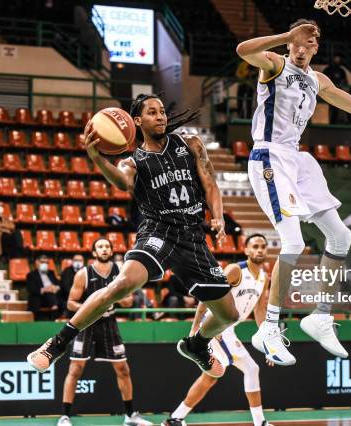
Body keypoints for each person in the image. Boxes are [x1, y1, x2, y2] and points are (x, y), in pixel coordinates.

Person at [236, 19, 351, 365]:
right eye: (297, 44)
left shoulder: (318, 80)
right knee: (292, 242)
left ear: (316, 48)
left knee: (341, 236)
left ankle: (319, 316)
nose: (302, 49)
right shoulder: (274, 64)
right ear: (290, 45)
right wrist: (286, 35)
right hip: (269, 156)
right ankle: (269, 328)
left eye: (308, 44)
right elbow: (243, 50)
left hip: (298, 160)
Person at [28, 94, 240, 378]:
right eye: (152, 112)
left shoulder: (190, 144)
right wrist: (97, 159)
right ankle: (57, 344)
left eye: (163, 111)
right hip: (157, 233)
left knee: (229, 315)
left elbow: (210, 182)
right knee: (123, 283)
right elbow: (122, 182)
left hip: (192, 238)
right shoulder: (135, 161)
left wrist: (217, 215)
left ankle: (196, 345)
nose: (161, 116)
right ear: (137, 121)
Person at [163, 234, 272, 426]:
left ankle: (175, 419)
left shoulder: (264, 278)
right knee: (249, 369)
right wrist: (196, 326)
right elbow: (208, 294)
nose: (260, 250)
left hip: (230, 328)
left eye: (263, 246)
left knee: (213, 376)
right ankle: (260, 423)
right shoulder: (235, 270)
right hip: (217, 326)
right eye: (255, 246)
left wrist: (268, 341)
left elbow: (260, 310)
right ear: (246, 250)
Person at [57, 238, 151, 426]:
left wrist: (119, 298)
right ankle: (65, 416)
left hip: (109, 323)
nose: (104, 249)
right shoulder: (84, 273)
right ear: (94, 253)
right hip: (86, 323)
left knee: (123, 369)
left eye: (107, 246)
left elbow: (129, 301)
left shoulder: (120, 272)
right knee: (75, 369)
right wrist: (91, 307)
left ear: (110, 251)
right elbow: (70, 303)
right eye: (100, 246)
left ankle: (130, 416)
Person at [26, 254, 62, 320]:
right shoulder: (31, 275)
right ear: (37, 262)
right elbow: (32, 289)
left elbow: (58, 284)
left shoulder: (51, 273)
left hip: (53, 295)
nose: (44, 264)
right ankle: (55, 311)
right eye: (42, 262)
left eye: (46, 263)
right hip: (40, 297)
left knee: (55, 294)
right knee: (49, 293)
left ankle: (55, 308)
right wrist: (44, 289)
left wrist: (56, 288)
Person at [323, 55, 348, 124]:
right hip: (328, 92)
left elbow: (345, 82)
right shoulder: (327, 70)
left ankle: (337, 122)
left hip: (338, 93)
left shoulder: (341, 71)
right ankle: (329, 122)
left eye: (338, 60)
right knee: (331, 108)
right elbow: (323, 80)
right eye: (335, 59)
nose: (337, 61)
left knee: (338, 108)